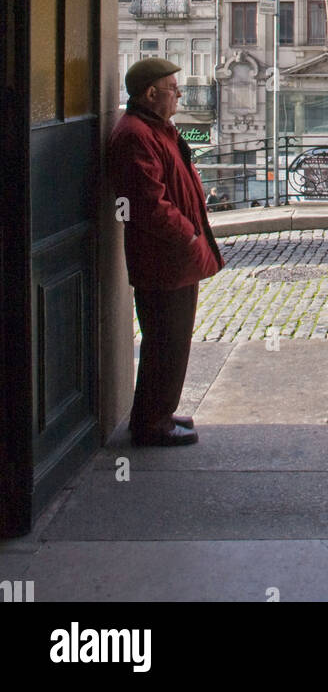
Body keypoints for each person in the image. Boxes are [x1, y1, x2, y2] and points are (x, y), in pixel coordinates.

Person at [107, 59, 223, 446]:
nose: (180, 94)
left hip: (172, 257)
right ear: (151, 94)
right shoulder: (136, 135)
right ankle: (152, 424)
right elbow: (147, 202)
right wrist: (188, 235)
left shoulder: (156, 128)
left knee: (172, 341)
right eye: (174, 88)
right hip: (164, 257)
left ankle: (161, 411)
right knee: (164, 342)